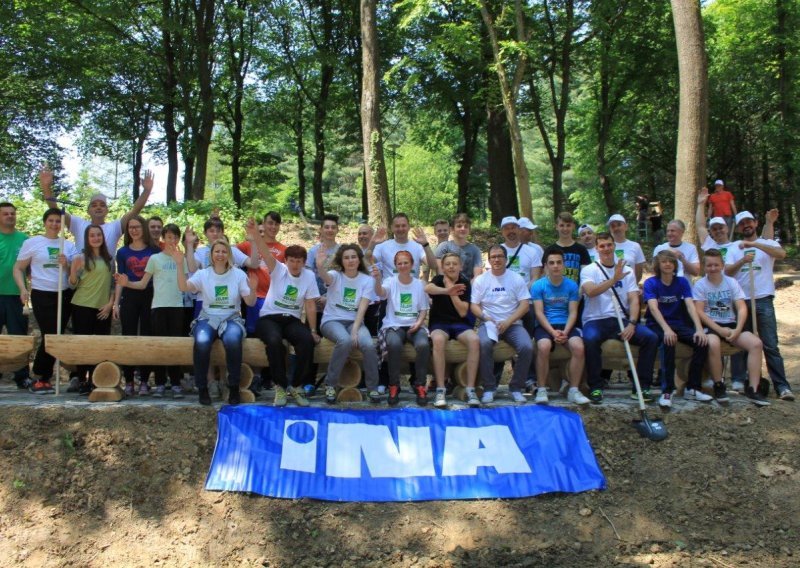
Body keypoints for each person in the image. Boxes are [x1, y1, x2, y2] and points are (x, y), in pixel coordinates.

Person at [169, 237, 256, 405]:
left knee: (233, 340)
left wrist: (252, 289)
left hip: (231, 318)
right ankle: (203, 388)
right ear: (211, 254)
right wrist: (180, 265)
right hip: (208, 317)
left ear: (229, 254)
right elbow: (183, 287)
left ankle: (233, 387)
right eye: (217, 251)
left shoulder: (238, 274)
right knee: (202, 341)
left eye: (224, 251)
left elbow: (250, 302)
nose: (220, 255)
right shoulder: (203, 274)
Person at [580, 232, 658, 404]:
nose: (606, 249)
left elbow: (633, 299)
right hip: (595, 319)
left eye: (609, 245)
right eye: (602, 246)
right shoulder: (589, 270)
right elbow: (591, 291)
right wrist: (613, 279)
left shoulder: (627, 270)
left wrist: (632, 323)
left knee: (650, 338)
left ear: (614, 246)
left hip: (620, 320)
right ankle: (595, 386)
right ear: (596, 248)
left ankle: (642, 387)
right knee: (590, 339)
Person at [249, 221, 320, 407]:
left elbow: (310, 304)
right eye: (292, 260)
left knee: (306, 340)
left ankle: (295, 386)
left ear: (304, 263)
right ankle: (280, 386)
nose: (295, 264)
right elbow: (265, 252)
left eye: (299, 261)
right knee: (274, 341)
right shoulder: (278, 269)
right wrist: (256, 234)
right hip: (269, 318)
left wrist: (312, 330)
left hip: (292, 320)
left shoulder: (309, 276)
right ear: (286, 261)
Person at [725, 211, 793, 400]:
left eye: (749, 222)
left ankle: (782, 386)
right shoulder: (733, 248)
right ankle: (743, 380)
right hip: (741, 301)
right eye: (742, 224)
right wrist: (742, 260)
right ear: (738, 228)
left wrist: (754, 245)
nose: (746, 225)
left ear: (755, 223)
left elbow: (781, 253)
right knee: (742, 343)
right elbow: (727, 272)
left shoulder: (768, 244)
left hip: (763, 299)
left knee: (770, 344)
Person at [115, 224, 188, 398]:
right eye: (168, 237)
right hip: (158, 307)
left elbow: (183, 285)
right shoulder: (155, 258)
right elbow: (142, 283)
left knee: (175, 346)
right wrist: (127, 284)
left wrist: (179, 263)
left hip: (177, 307)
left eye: (175, 237)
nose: (172, 240)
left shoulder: (181, 258)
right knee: (160, 346)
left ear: (178, 239)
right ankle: (161, 383)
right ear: (163, 239)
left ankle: (176, 383)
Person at [693, 249, 769, 406]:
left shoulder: (731, 282)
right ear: (704, 267)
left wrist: (738, 329)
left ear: (722, 265)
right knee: (712, 343)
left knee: (756, 343)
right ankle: (718, 385)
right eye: (709, 265)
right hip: (712, 324)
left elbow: (741, 307)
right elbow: (699, 311)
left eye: (716, 265)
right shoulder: (700, 285)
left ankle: (753, 389)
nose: (713, 268)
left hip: (731, 324)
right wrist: (718, 329)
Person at [13, 208, 76, 393]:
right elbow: (18, 268)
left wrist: (68, 265)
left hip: (63, 294)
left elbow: (74, 275)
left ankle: (46, 377)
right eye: (51, 220)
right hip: (42, 293)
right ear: (45, 222)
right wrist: (23, 289)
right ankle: (40, 376)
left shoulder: (68, 245)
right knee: (50, 334)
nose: (55, 224)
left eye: (58, 221)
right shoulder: (33, 243)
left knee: (57, 334)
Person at [643, 250, 710, 408]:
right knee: (668, 342)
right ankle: (667, 391)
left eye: (670, 262)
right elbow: (653, 309)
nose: (667, 264)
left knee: (701, 342)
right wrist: (666, 329)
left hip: (678, 323)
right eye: (664, 261)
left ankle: (693, 388)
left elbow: (690, 305)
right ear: (658, 265)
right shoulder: (651, 283)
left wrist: (699, 329)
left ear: (675, 265)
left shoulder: (681, 282)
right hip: (657, 325)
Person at [316, 244, 380, 404]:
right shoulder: (335, 275)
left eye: (353, 257)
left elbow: (363, 308)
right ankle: (330, 384)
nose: (350, 260)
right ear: (341, 261)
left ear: (359, 259)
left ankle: (373, 388)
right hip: (332, 320)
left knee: (369, 345)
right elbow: (325, 277)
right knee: (344, 340)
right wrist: (319, 265)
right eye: (346, 257)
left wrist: (355, 330)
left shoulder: (367, 280)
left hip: (355, 322)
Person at [471, 245, 534, 404]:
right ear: (489, 260)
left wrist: (509, 321)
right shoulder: (481, 280)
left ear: (506, 259)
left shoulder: (516, 278)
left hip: (512, 323)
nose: (497, 260)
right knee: (484, 344)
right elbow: (474, 305)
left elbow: (525, 305)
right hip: (489, 323)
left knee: (527, 346)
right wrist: (485, 317)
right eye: (493, 257)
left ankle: (516, 387)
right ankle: (489, 387)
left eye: (500, 256)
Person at [39, 167, 153, 255]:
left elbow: (135, 211)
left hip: (105, 281)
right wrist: (46, 187)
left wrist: (146, 191)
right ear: (88, 211)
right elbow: (56, 210)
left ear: (107, 210)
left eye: (102, 205)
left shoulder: (115, 227)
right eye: (94, 205)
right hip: (81, 281)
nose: (98, 207)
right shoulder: (78, 224)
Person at [531, 247, 589, 406]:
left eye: (559, 262)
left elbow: (572, 312)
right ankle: (542, 389)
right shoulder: (538, 286)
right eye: (551, 263)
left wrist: (565, 332)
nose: (555, 266)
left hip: (566, 325)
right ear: (546, 266)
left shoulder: (571, 286)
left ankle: (574, 389)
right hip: (546, 324)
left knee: (579, 347)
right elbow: (539, 313)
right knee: (543, 346)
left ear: (564, 265)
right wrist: (552, 332)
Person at [375, 250, 431, 406]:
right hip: (394, 325)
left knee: (423, 345)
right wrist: (377, 280)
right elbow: (381, 293)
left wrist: (419, 323)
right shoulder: (390, 281)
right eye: (399, 263)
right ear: (395, 265)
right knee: (393, 344)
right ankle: (394, 385)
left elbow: (423, 309)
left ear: (412, 264)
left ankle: (420, 384)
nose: (403, 265)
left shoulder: (419, 284)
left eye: (406, 262)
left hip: (415, 324)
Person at [113, 215, 161, 396]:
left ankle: (144, 380)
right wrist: (116, 304)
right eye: (130, 227)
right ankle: (130, 381)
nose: (134, 230)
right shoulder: (122, 252)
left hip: (150, 296)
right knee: (129, 336)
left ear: (144, 229)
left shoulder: (154, 251)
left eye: (137, 227)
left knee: (147, 336)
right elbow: (120, 280)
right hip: (129, 296)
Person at [426, 252, 480, 408]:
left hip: (460, 324)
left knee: (475, 340)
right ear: (442, 267)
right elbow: (428, 288)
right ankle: (440, 389)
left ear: (460, 266)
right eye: (447, 264)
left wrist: (452, 291)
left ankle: (470, 389)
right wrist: (446, 290)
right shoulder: (438, 279)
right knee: (437, 340)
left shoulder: (465, 283)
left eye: (454, 264)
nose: (451, 266)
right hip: (440, 324)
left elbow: (463, 311)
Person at [69, 225, 115, 393]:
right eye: (92, 236)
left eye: (98, 235)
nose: (96, 238)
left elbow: (112, 285)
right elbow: (72, 284)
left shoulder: (109, 259)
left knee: (100, 345)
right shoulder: (80, 258)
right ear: (87, 239)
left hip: (102, 308)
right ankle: (82, 380)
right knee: (83, 345)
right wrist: (73, 270)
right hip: (82, 306)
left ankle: (97, 379)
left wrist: (110, 304)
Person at [0, 202, 31, 389]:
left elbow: (30, 268)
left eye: (12, 213)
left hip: (16, 296)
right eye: (5, 214)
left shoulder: (24, 239)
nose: (10, 216)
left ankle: (22, 376)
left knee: (18, 337)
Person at [435, 213, 483, 282]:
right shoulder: (443, 247)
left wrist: (469, 288)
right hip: (446, 286)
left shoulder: (475, 250)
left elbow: (477, 275)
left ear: (469, 230)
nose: (463, 229)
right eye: (459, 226)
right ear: (452, 229)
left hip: (469, 287)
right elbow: (440, 273)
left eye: (466, 226)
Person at [550, 212, 591, 284]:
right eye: (562, 225)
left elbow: (586, 276)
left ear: (573, 226)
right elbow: (547, 275)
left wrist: (580, 292)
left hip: (577, 292)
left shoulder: (582, 249)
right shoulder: (550, 250)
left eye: (568, 225)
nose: (565, 229)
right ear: (556, 227)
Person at [607, 214, 646, 283]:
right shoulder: (605, 247)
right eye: (613, 226)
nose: (616, 228)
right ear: (610, 229)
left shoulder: (635, 246)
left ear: (626, 227)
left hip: (630, 288)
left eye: (619, 225)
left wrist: (633, 286)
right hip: (610, 289)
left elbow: (639, 272)